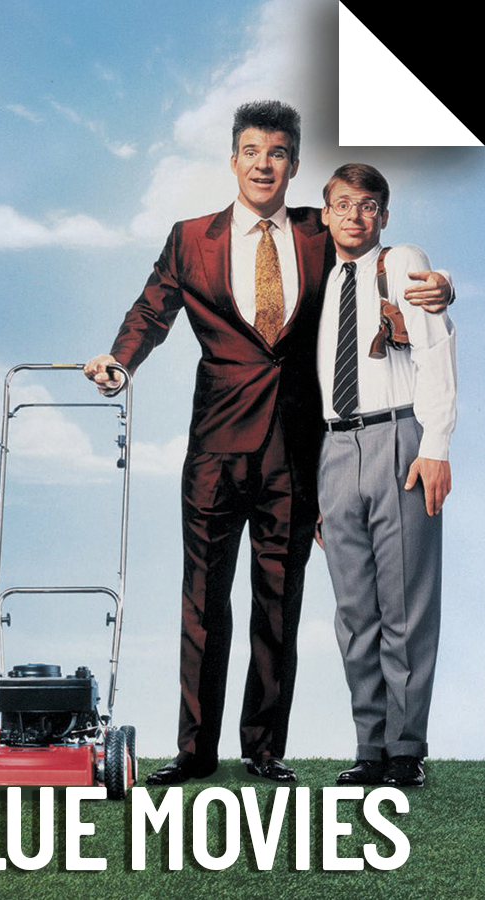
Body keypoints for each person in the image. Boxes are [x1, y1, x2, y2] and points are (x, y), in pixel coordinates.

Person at [85, 102, 451, 785]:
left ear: (294, 165)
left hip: (296, 452)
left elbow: (384, 258)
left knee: (279, 604)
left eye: (277, 153)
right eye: (251, 151)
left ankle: (262, 748)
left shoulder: (320, 231)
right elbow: (150, 310)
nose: (263, 164)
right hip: (215, 448)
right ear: (233, 161)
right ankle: (195, 751)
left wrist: (443, 286)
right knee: (203, 602)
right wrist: (119, 360)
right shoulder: (189, 238)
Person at [316, 163, 456, 788]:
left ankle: (405, 749)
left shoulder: (402, 263)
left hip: (399, 437)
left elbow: (435, 349)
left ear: (384, 216)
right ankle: (369, 747)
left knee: (404, 605)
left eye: (368, 205)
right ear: (326, 215)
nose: (355, 215)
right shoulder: (318, 282)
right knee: (354, 612)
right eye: (343, 204)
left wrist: (436, 445)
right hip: (334, 446)